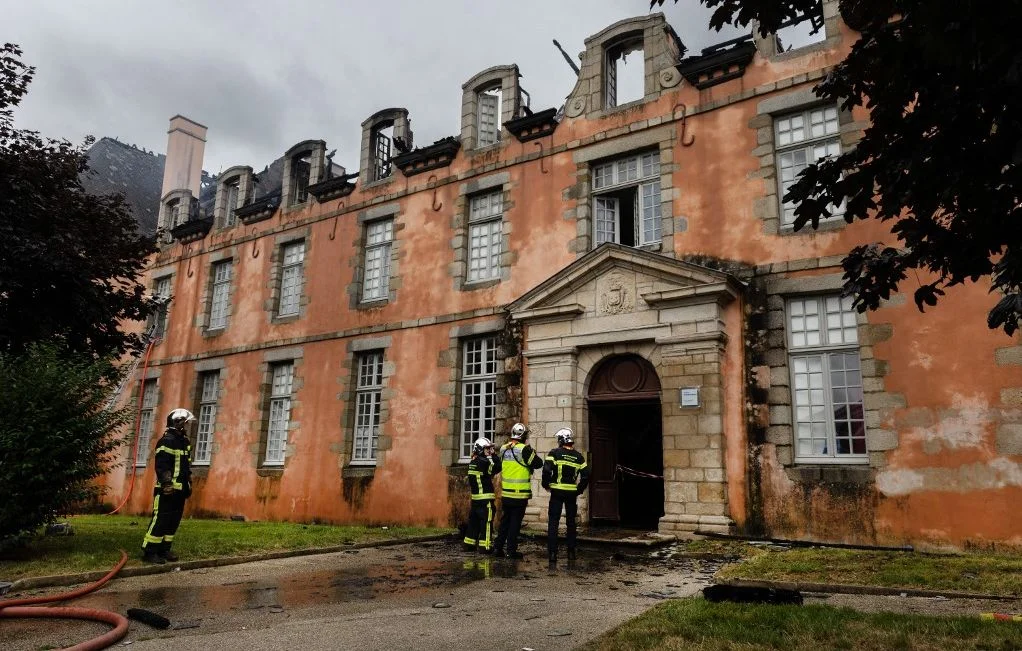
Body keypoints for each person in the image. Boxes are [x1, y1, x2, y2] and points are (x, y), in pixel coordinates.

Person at [141, 408, 195, 564]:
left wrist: (189, 482)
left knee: (173, 521)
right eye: (185, 423)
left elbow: (186, 466)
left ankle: (164, 549)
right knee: (161, 520)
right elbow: (162, 465)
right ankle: (149, 551)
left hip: (181, 490)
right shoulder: (166, 441)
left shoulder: (184, 441)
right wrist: (166, 483)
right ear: (177, 423)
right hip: (167, 490)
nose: (186, 426)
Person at [492, 422, 543, 559]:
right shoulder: (524, 450)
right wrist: (531, 450)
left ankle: (497, 548)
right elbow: (539, 463)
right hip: (520, 494)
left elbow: (499, 464)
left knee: (505, 521)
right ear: (523, 436)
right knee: (515, 523)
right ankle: (511, 550)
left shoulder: (503, 448)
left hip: (506, 493)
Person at [542, 427, 589, 563]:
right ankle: (571, 553)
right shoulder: (578, 456)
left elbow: (546, 470)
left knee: (553, 523)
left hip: (556, 491)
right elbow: (586, 475)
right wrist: (579, 490)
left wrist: (546, 484)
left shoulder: (554, 453)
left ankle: (552, 554)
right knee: (571, 523)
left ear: (561, 440)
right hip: (571, 493)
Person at [463, 437, 500, 553]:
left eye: (489, 449)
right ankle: (486, 546)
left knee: (473, 523)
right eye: (487, 449)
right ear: (479, 449)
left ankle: (469, 544)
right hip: (485, 501)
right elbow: (498, 467)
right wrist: (494, 455)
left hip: (475, 500)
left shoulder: (472, 463)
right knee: (486, 523)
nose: (489, 451)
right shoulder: (484, 463)